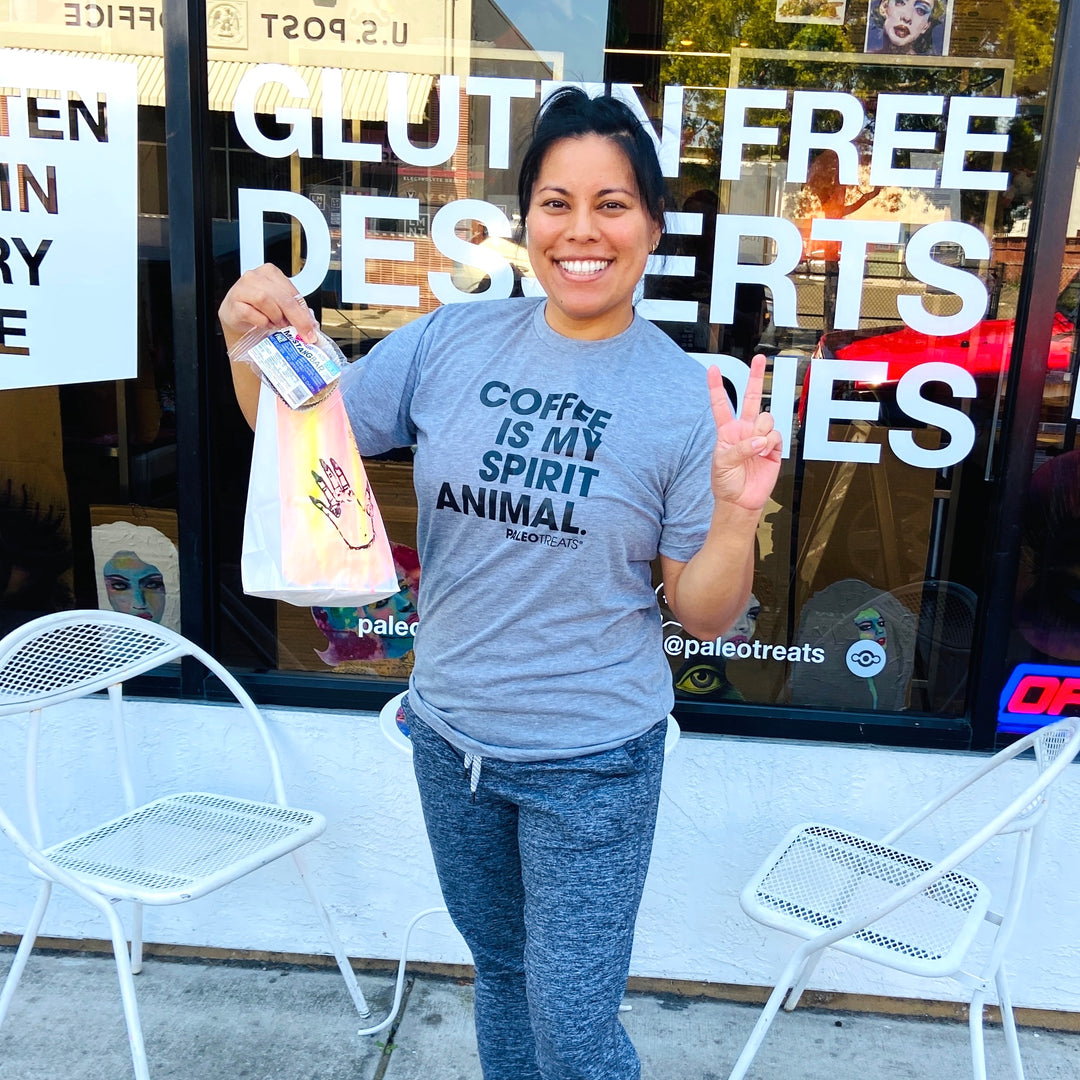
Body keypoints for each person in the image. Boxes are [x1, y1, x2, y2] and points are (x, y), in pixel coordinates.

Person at [219, 87, 782, 1080]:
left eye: (613, 203)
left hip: (594, 762)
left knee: (573, 1023)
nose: (582, 230)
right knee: (503, 976)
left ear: (653, 224)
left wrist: (735, 513)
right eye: (556, 201)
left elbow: (705, 611)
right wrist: (250, 347)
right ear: (525, 220)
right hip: (451, 740)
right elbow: (302, 436)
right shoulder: (453, 341)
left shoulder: (683, 396)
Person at [865, 0, 944, 56]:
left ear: (926, 26)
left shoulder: (925, 72)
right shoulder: (863, 61)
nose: (907, 17)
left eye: (920, 10)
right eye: (900, 2)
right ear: (884, 7)